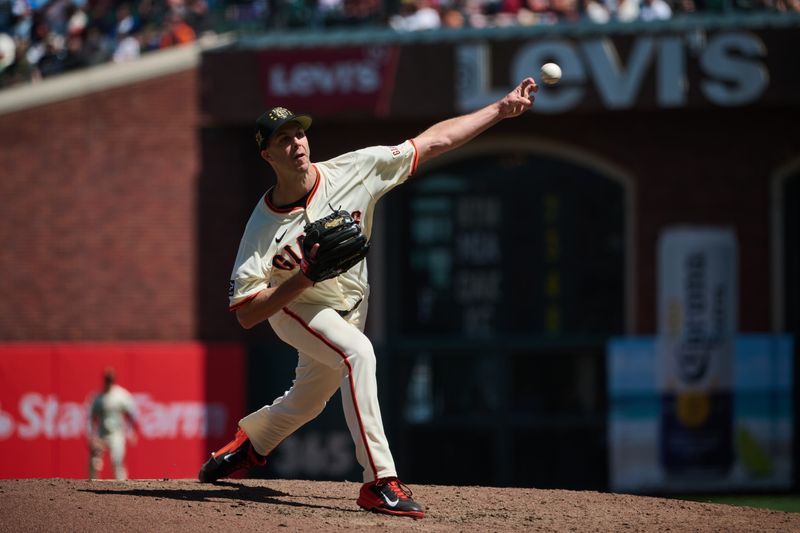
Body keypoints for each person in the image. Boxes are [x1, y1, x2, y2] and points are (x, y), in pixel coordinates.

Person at [197, 77, 538, 518]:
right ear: (267, 154)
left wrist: (499, 109)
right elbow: (246, 314)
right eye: (283, 138)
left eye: (299, 132)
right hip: (295, 306)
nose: (296, 142)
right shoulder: (261, 229)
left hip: (352, 305)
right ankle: (379, 481)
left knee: (308, 400)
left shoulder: (355, 169)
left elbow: (432, 142)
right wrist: (301, 279)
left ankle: (252, 444)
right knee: (358, 354)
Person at [87, 368, 139, 481]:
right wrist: (92, 436)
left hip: (116, 434)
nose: (108, 382)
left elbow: (133, 413)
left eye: (110, 380)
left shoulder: (121, 395)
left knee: (117, 461)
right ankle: (91, 485)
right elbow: (90, 418)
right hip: (101, 434)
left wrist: (131, 430)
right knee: (94, 461)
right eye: (107, 379)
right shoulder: (98, 397)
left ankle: (122, 488)